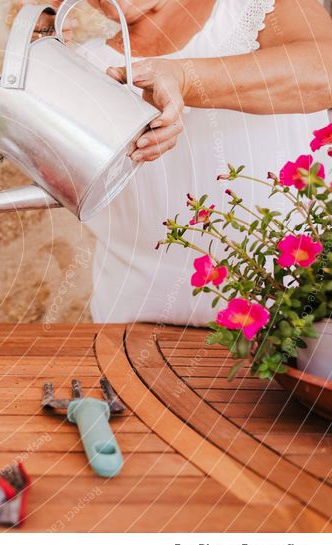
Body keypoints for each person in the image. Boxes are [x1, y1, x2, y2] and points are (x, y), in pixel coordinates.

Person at [34, 0, 332, 325]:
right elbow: (56, 177)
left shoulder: (255, 8)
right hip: (128, 331)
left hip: (292, 332)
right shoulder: (81, 63)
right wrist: (37, 59)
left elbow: (325, 72)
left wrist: (185, 79)